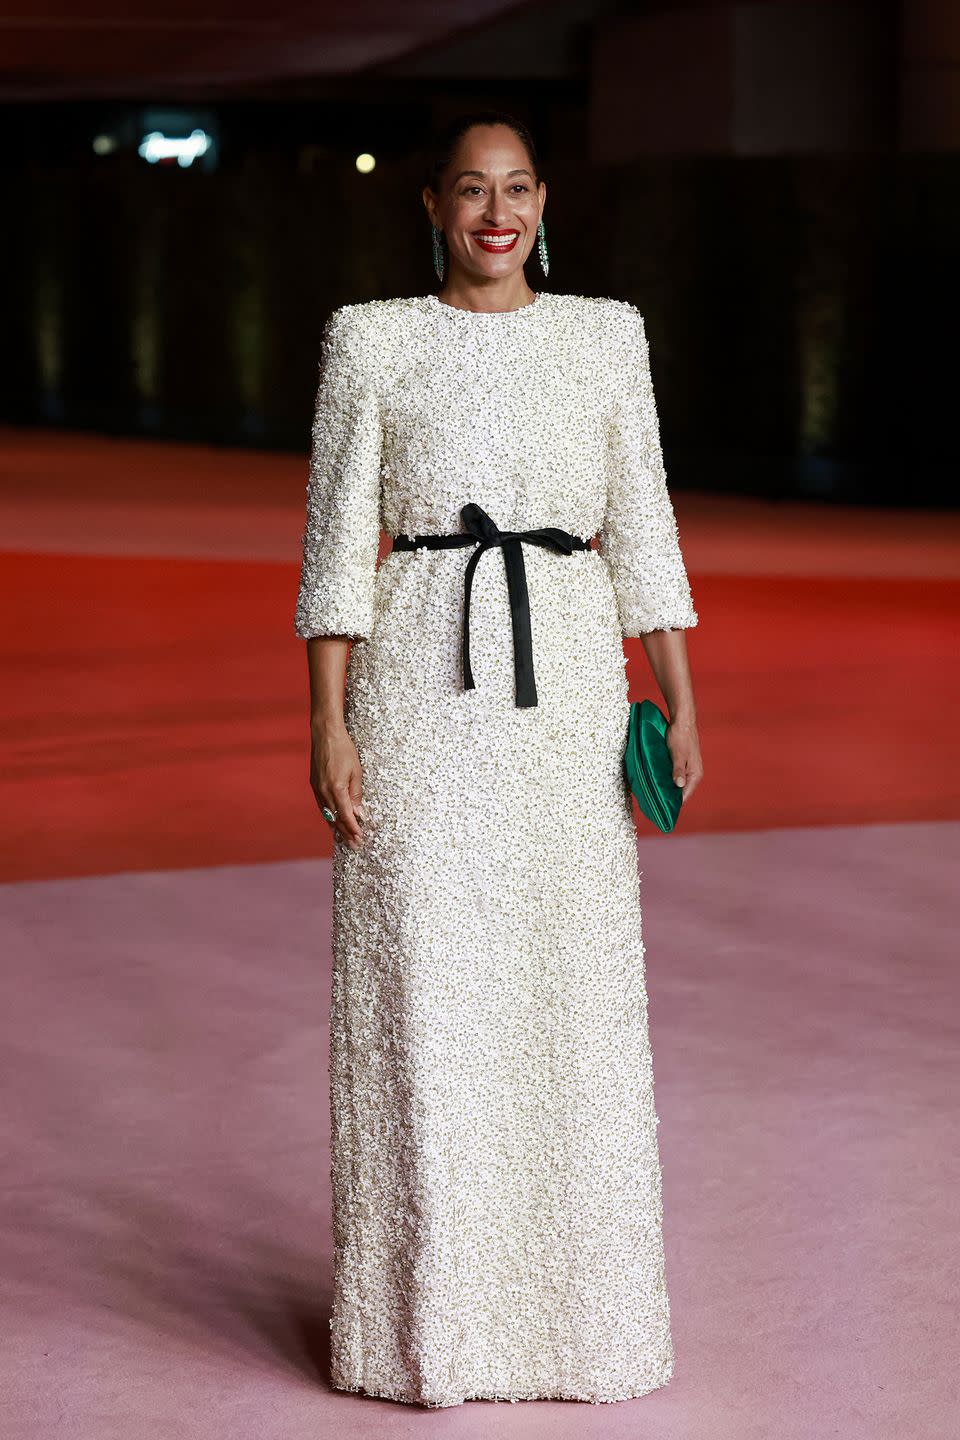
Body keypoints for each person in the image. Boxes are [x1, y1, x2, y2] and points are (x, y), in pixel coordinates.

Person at [294, 108, 704, 1409]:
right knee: (423, 987)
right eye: (470, 189)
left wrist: (680, 698)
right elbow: (334, 545)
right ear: (429, 204)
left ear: (540, 202)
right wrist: (329, 719)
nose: (495, 211)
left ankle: (585, 1327)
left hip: (572, 697)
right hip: (419, 686)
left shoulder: (605, 335)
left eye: (516, 187)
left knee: (566, 991)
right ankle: (427, 1333)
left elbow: (642, 520)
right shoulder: (372, 340)